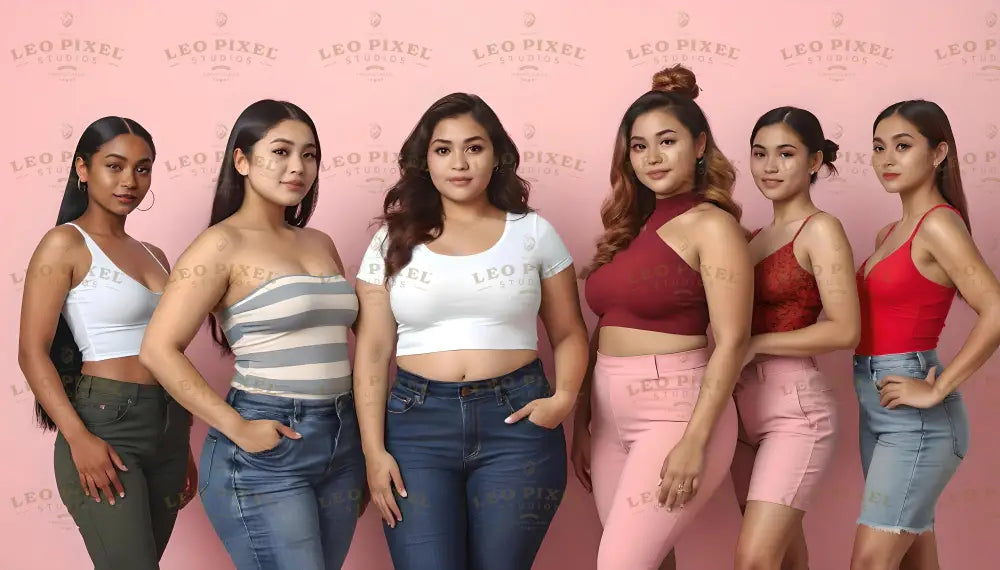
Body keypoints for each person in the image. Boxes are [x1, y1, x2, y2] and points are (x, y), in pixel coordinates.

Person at [353, 92, 588, 570]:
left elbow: (569, 333)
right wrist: (373, 451)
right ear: (425, 161)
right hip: (416, 427)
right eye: (443, 150)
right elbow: (374, 352)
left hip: (517, 424)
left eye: (474, 148)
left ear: (497, 156)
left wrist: (563, 400)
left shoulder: (533, 233)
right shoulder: (390, 240)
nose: (459, 163)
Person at [139, 100, 366, 570]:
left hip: (343, 439)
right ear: (241, 161)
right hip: (268, 441)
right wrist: (236, 426)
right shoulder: (220, 244)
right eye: (280, 152)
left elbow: (363, 337)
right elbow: (158, 349)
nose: (297, 167)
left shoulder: (319, 241)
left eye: (309, 155)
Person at [573, 64, 753, 570]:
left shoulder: (712, 227)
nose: (652, 157)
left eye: (667, 141)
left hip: (674, 410)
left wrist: (695, 441)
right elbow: (603, 328)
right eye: (638, 145)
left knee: (620, 564)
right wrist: (584, 421)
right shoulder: (628, 230)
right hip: (610, 415)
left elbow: (734, 340)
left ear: (699, 146)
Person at [18, 116, 195, 570]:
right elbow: (31, 351)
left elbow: (171, 350)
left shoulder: (155, 253)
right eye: (114, 166)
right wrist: (77, 437)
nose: (129, 181)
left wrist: (181, 441)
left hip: (168, 427)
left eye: (143, 168)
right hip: (106, 423)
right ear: (83, 168)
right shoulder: (64, 244)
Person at [850, 100, 1000, 570]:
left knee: (871, 563)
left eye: (902, 146)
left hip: (915, 420)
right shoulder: (889, 233)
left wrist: (937, 386)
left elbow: (996, 309)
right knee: (915, 561)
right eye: (878, 148)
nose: (887, 159)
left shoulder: (939, 224)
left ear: (938, 153)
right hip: (875, 404)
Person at [729, 106, 860, 570]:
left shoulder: (820, 230)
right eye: (759, 153)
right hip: (741, 408)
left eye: (785, 154)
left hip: (794, 409)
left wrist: (757, 345)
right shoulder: (752, 237)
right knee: (786, 560)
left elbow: (845, 328)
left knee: (754, 560)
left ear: (814, 161)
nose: (769, 166)